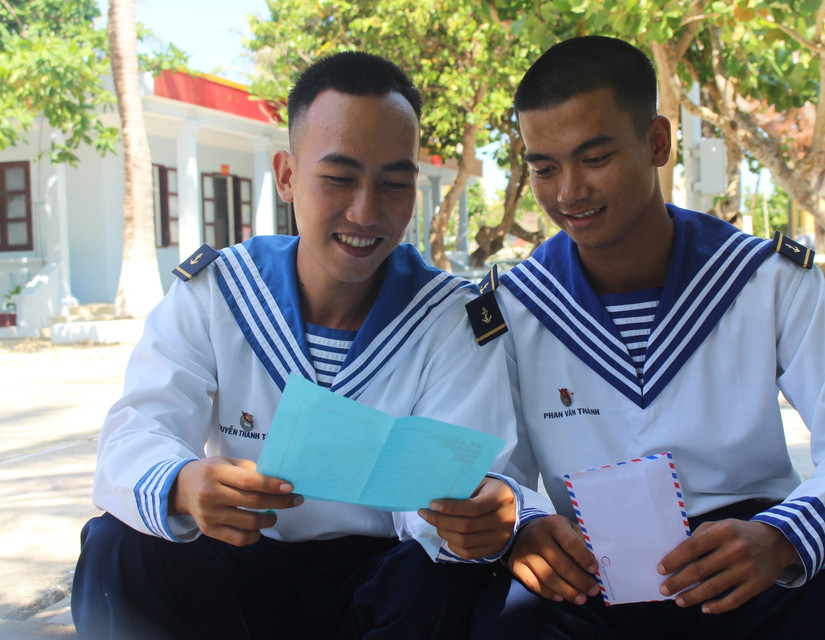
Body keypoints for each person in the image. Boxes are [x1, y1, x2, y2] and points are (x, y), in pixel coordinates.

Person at [473, 35, 825, 638]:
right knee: (498, 613)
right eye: (544, 168)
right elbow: (492, 473)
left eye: (594, 158)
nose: (568, 191)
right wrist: (523, 525)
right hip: (599, 581)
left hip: (758, 566)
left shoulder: (761, 279)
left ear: (658, 142)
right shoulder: (516, 307)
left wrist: (784, 537)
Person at [72, 51, 526, 640]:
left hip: (385, 576)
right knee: (118, 544)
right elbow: (137, 430)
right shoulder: (219, 294)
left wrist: (471, 515)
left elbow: (453, 492)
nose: (366, 211)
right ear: (287, 176)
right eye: (339, 177)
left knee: (454, 574)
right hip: (243, 559)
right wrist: (182, 483)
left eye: (394, 183)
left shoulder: (452, 317)